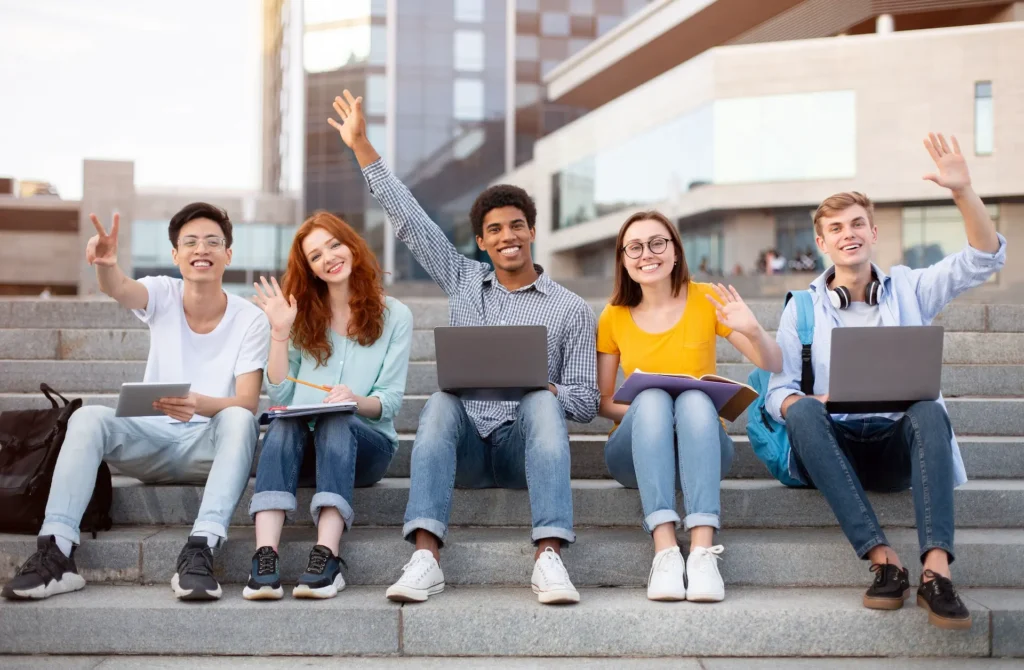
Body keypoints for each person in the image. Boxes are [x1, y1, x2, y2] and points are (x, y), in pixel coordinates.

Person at [328, 90, 599, 605]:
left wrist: (545, 387)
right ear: (481, 241)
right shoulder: (462, 280)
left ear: (533, 231)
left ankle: (549, 559)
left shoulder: (571, 309)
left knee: (542, 400)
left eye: (516, 226)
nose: (507, 236)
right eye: (494, 230)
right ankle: (426, 558)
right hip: (469, 449)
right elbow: (409, 221)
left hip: (526, 452)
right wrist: (362, 145)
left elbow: (586, 403)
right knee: (441, 401)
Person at [765, 133, 1005, 630]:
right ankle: (884, 561)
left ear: (873, 231)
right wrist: (812, 400)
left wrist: (962, 191)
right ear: (822, 242)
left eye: (857, 223)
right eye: (836, 228)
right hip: (837, 448)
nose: (848, 233)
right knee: (803, 409)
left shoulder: (912, 288)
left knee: (928, 408)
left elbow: (982, 258)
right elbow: (777, 393)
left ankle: (936, 573)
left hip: (899, 446)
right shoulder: (802, 308)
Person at [2, 204, 270, 602]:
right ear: (176, 254)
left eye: (213, 242)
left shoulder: (251, 318)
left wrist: (197, 404)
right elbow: (120, 288)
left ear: (228, 255)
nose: (202, 249)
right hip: (152, 441)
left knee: (238, 419)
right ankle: (56, 553)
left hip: (210, 449)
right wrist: (106, 265)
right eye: (190, 242)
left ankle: (201, 549)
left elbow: (247, 401)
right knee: (90, 417)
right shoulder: (163, 292)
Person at [597, 211, 782, 603]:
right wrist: (656, 415)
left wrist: (752, 328)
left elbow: (773, 364)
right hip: (633, 452)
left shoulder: (704, 300)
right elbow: (604, 401)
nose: (647, 254)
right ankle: (665, 550)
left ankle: (701, 553)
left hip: (703, 447)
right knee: (652, 398)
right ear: (624, 259)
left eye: (657, 242)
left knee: (695, 397)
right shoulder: (612, 316)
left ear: (676, 252)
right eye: (635, 247)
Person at [243, 212, 412, 601]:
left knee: (337, 421)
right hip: (303, 450)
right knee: (282, 423)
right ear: (312, 270)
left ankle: (327, 556)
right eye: (316, 256)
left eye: (334, 245)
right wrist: (280, 333)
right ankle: (264, 558)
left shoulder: (396, 316)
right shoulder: (302, 316)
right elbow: (281, 395)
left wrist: (353, 400)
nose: (329, 258)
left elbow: (389, 403)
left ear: (351, 246)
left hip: (367, 447)